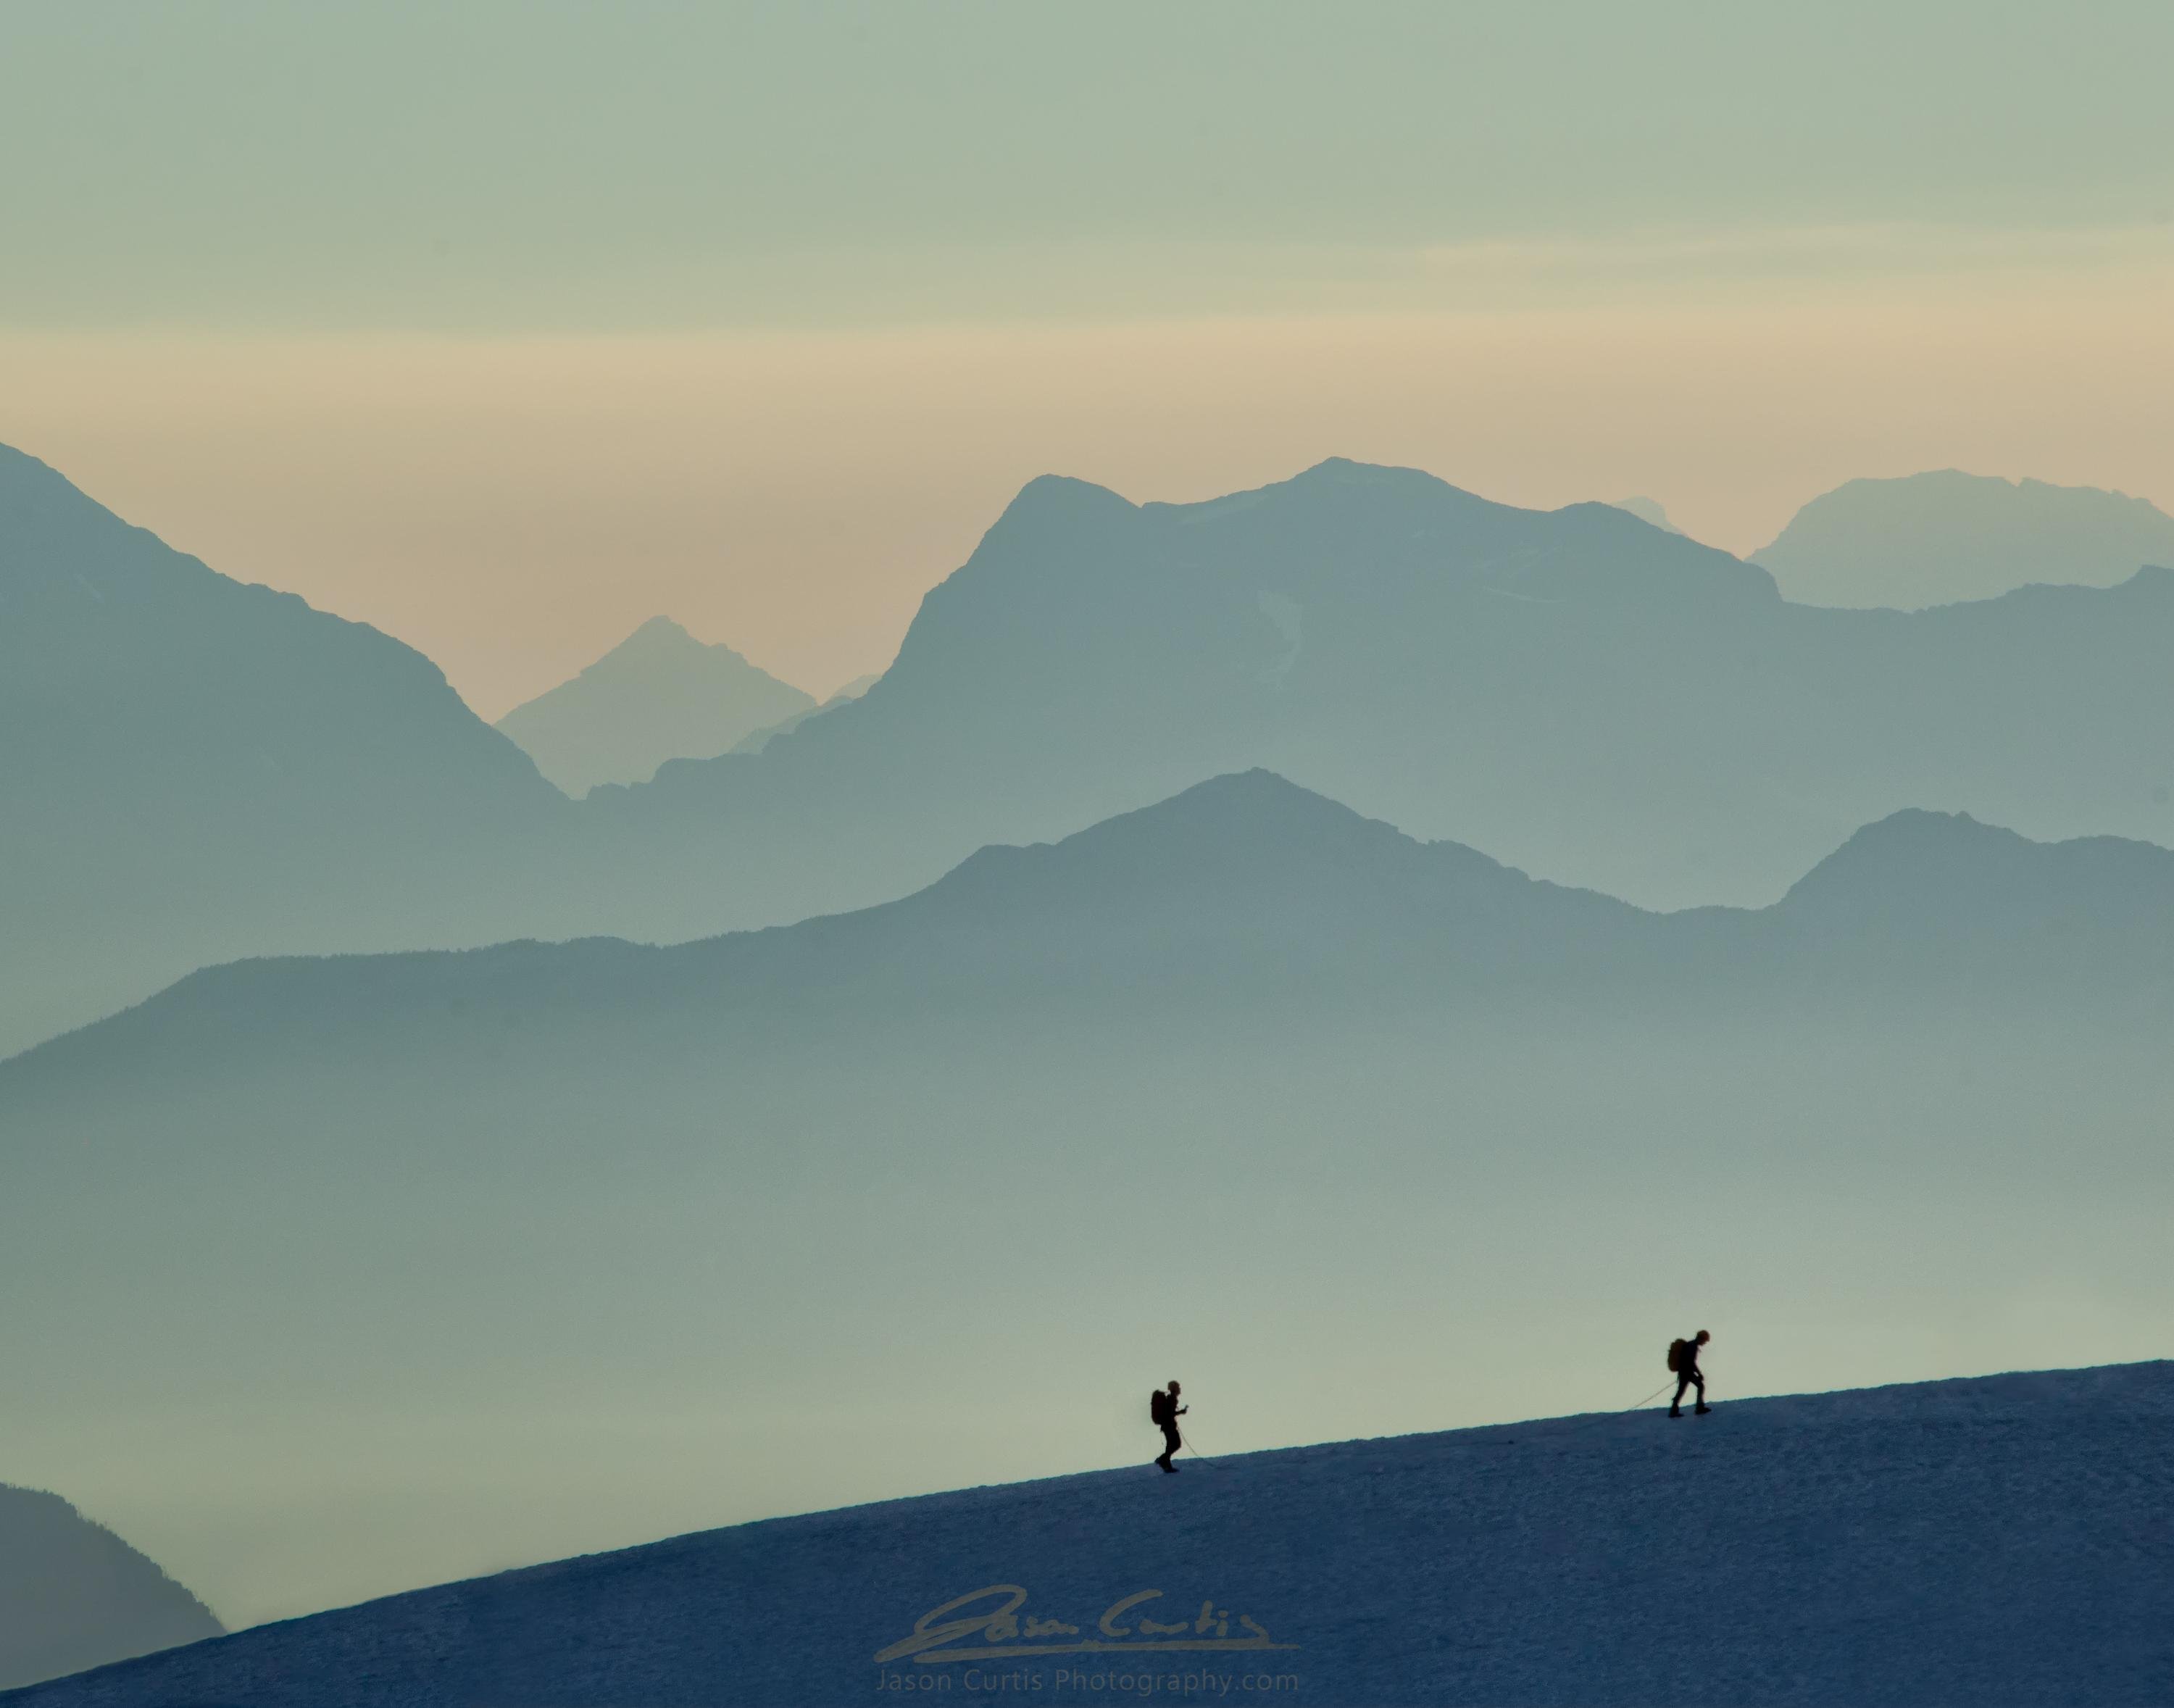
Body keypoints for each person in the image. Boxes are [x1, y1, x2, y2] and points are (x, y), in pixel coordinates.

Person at [1670, 1330, 1712, 1417]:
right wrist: (1699, 1373)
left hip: (1684, 1372)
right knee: (1700, 1386)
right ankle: (1699, 1408)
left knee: (1681, 1390)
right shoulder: (1692, 1346)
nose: (1705, 1343)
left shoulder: (1691, 1345)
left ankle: (1674, 1411)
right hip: (1687, 1372)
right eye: (1705, 1340)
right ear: (1701, 1338)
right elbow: (1691, 1362)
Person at [1150, 1380, 1187, 1472]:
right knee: (1175, 1444)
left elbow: (1169, 1412)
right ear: (1174, 1389)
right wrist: (1181, 1412)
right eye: (1178, 1387)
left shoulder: (1170, 1398)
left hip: (1167, 1425)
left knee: (1172, 1444)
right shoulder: (1172, 1398)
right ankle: (1163, 1461)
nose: (1179, 1389)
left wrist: (1179, 1412)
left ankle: (1166, 1463)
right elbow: (1170, 1412)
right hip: (1169, 1425)